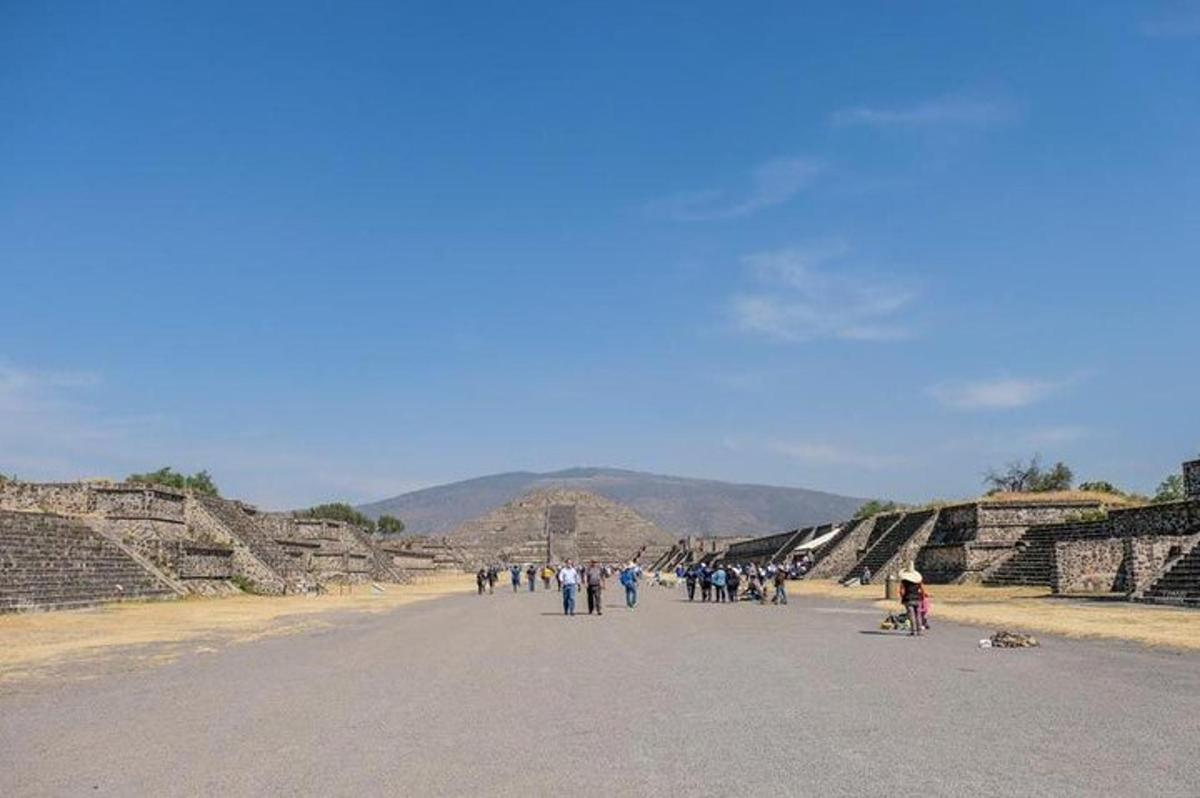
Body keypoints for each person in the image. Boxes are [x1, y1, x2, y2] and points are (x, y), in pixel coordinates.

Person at [899, 566, 924, 637]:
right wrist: (922, 597)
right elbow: (922, 590)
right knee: (918, 615)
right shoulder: (918, 581)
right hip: (917, 598)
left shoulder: (904, 581)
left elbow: (901, 591)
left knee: (911, 615)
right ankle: (919, 630)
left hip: (908, 599)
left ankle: (914, 631)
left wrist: (903, 597)